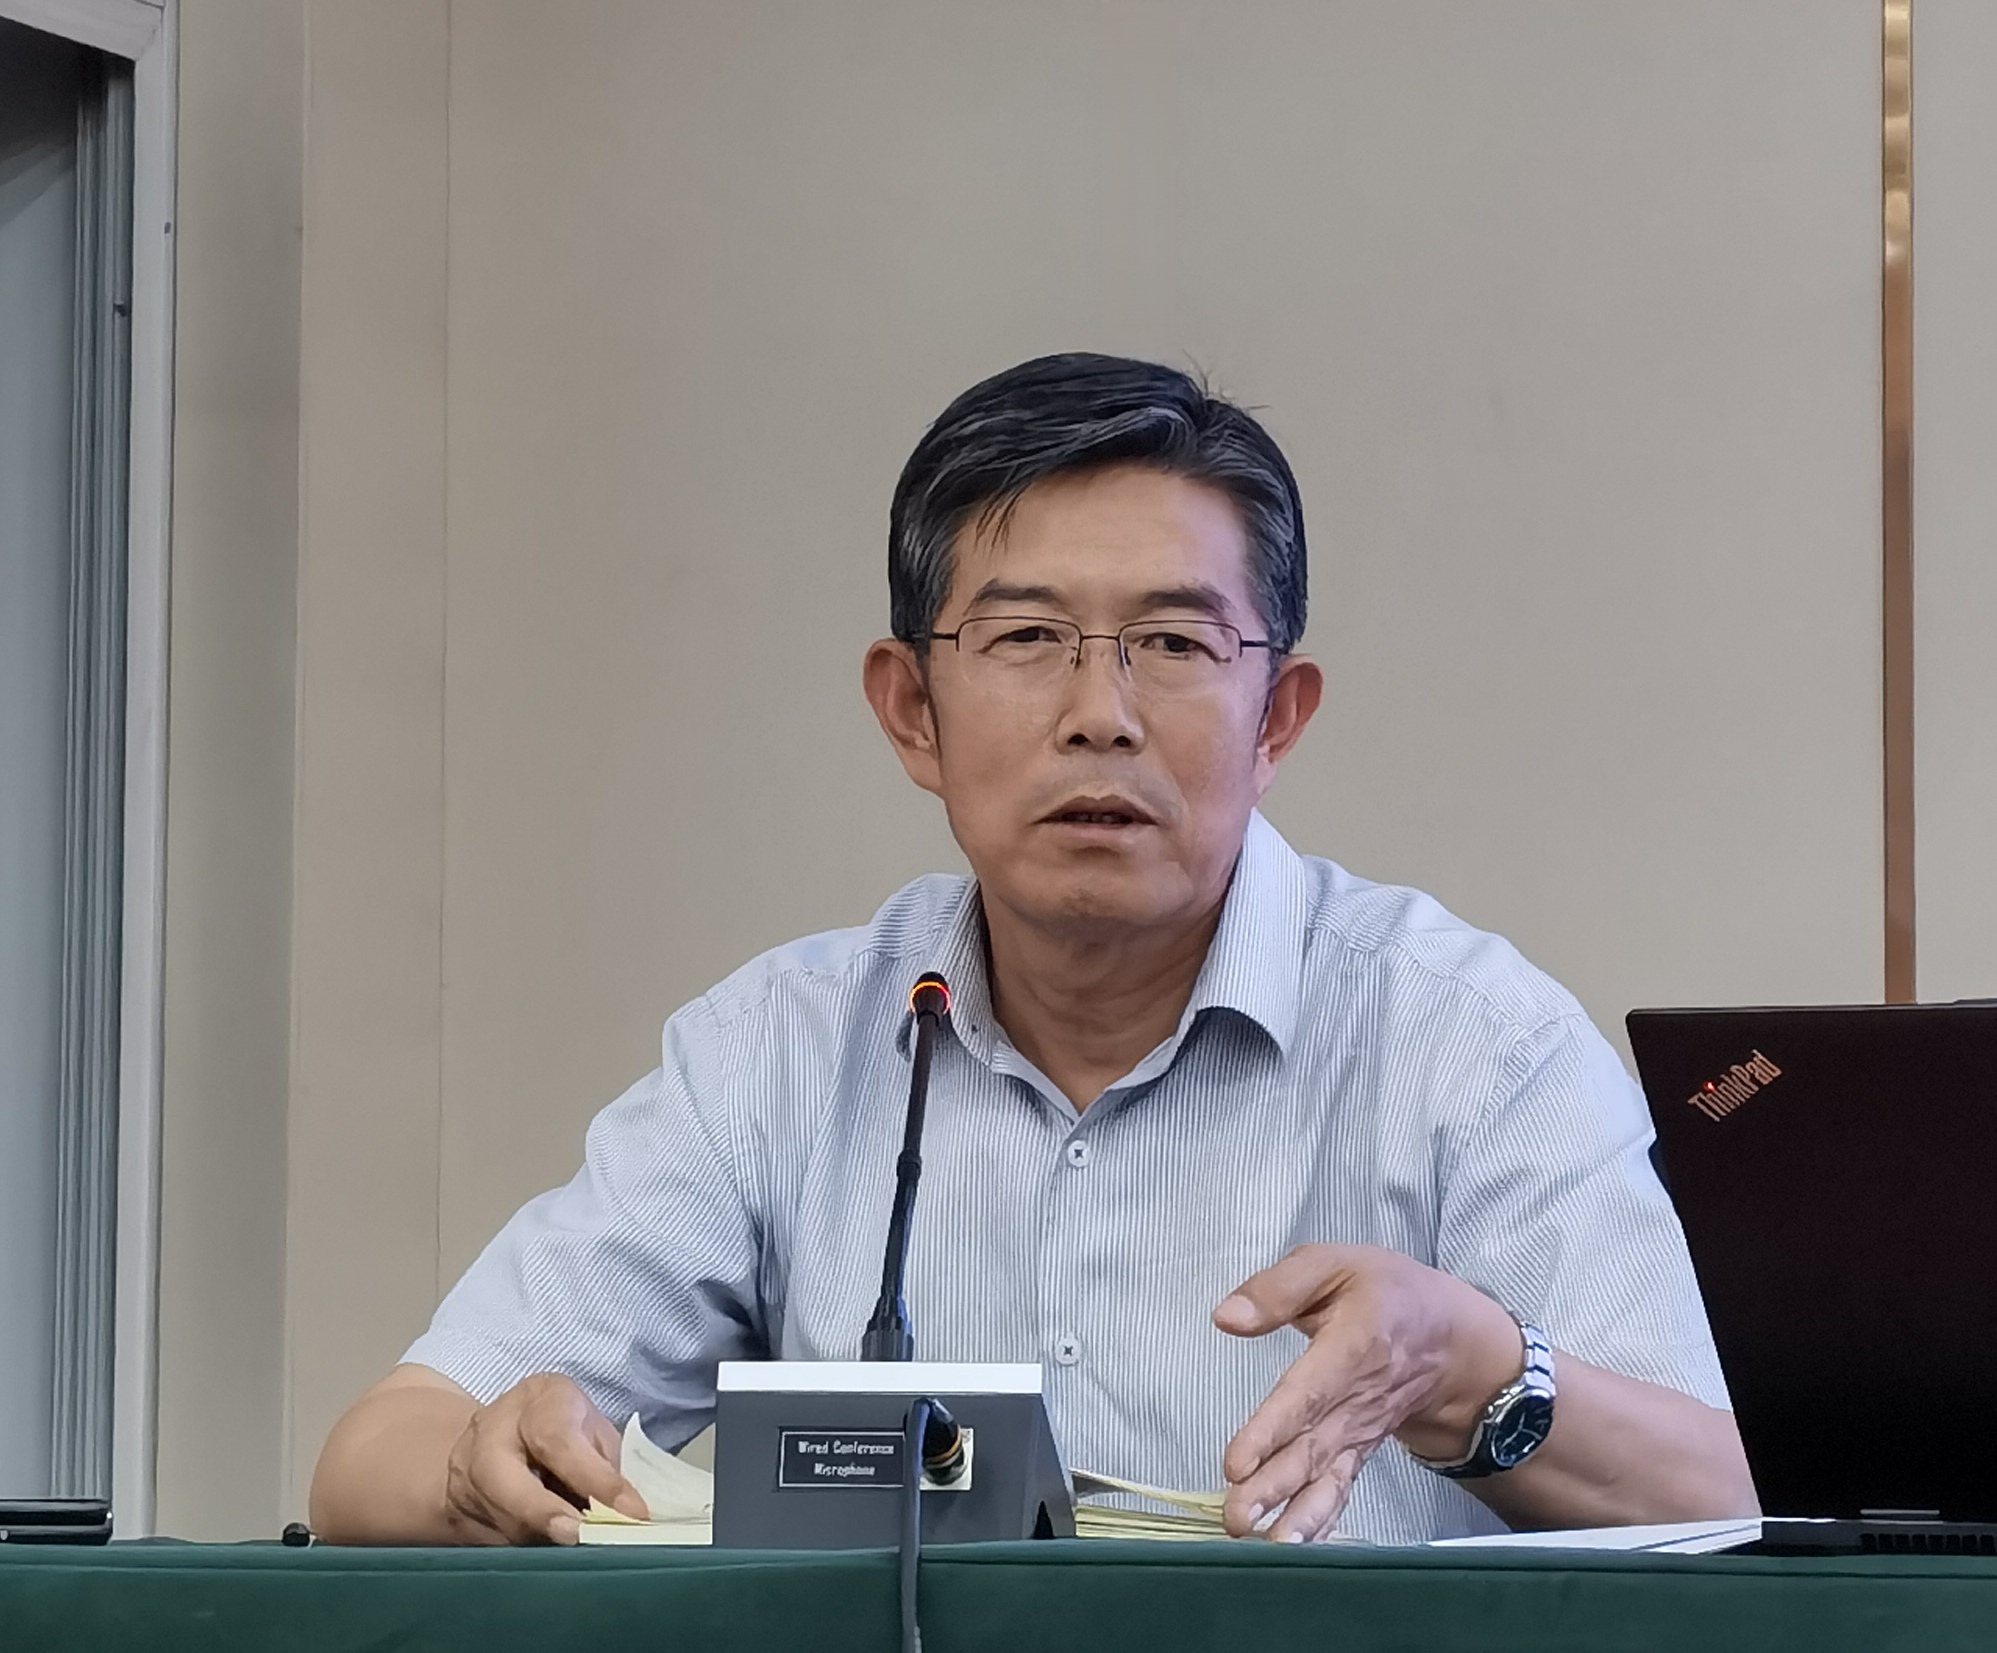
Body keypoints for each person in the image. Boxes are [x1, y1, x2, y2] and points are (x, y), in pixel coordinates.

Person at [310, 353, 1756, 1547]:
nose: (1099, 715)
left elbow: (1729, 1504)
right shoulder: (781, 1051)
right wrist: (480, 1467)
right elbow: (376, 1455)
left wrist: (1474, 1372)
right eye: (1025, 640)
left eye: (1174, 645)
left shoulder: (1469, 1038)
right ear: (911, 712)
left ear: (1277, 717)